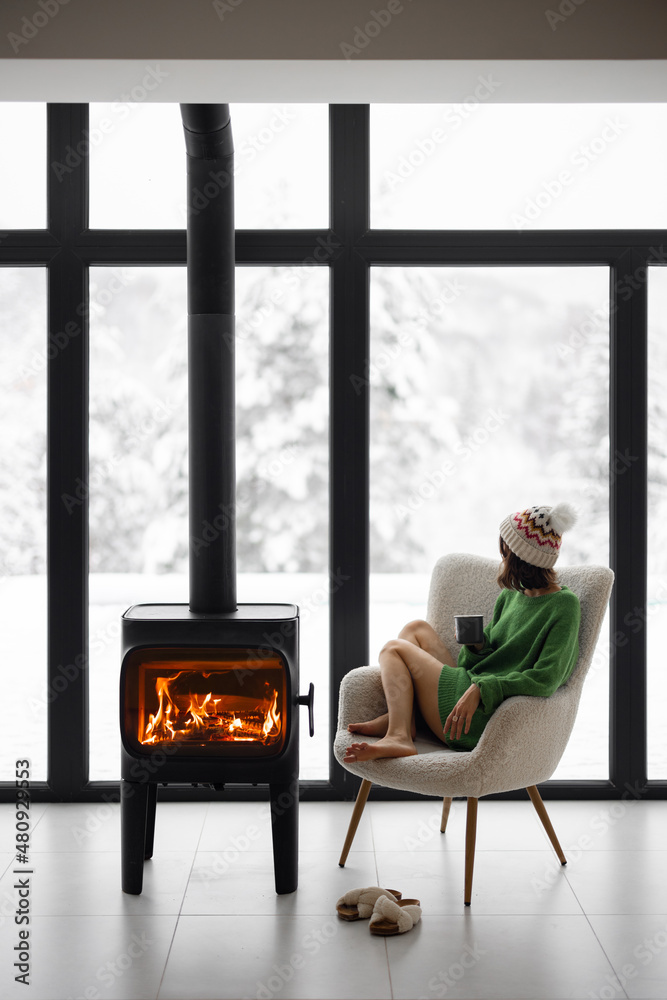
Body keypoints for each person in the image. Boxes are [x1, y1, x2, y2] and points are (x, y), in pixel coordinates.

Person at [344, 502, 581, 762]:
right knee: (415, 629)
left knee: (392, 648)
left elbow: (546, 679)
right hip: (471, 688)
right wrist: (477, 644)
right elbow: (478, 663)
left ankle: (399, 736)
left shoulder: (564, 606)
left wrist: (483, 688)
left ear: (521, 558)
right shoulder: (512, 594)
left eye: (506, 551)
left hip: (479, 714)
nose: (502, 558)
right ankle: (406, 718)